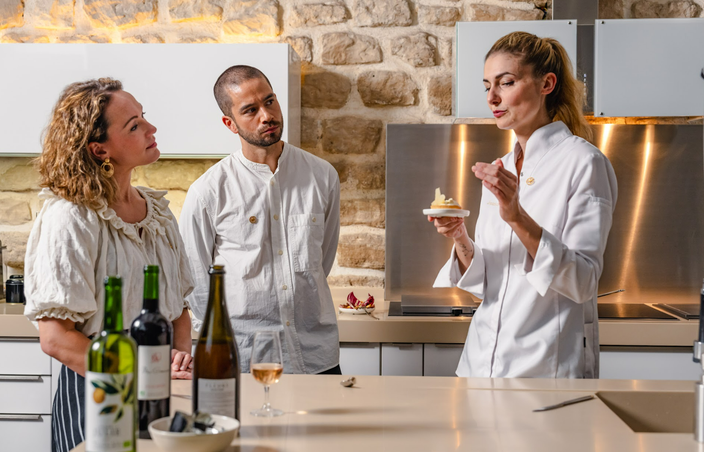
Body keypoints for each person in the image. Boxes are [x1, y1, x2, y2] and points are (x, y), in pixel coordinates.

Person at [430, 32, 617, 378]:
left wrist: (516, 216)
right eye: (487, 86)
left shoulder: (583, 163)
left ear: (547, 83)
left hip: (544, 369)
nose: (493, 97)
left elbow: (583, 280)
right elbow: (489, 282)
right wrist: (460, 238)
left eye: (506, 82)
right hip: (479, 364)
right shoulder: (500, 167)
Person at [23, 78, 195, 452]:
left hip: (163, 391)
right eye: (134, 125)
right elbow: (55, 338)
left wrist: (178, 365)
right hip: (98, 392)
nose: (151, 129)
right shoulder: (71, 218)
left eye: (144, 117)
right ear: (100, 149)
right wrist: (142, 374)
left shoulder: (158, 212)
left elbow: (179, 308)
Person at [179, 65, 341, 375]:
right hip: (244, 357)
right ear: (230, 123)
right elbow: (197, 286)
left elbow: (323, 259)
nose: (266, 115)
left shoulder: (322, 176)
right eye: (250, 110)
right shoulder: (208, 192)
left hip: (315, 355)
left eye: (269, 101)